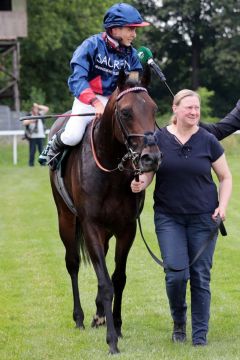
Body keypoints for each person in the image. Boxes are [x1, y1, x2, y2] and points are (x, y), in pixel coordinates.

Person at [131, 89, 232, 346]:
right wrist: (140, 184)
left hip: (204, 219)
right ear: (175, 109)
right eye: (189, 108)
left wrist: (222, 206)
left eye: (196, 108)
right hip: (169, 219)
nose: (194, 112)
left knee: (200, 275)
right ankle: (178, 322)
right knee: (176, 274)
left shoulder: (208, 140)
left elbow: (225, 177)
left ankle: (199, 335)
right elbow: (148, 173)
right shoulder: (158, 139)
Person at [39, 2, 150, 169]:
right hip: (88, 98)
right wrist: (95, 102)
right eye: (130, 29)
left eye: (135, 30)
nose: (134, 34)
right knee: (73, 136)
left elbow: (132, 84)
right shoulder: (90, 46)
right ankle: (55, 143)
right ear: (114, 29)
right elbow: (77, 79)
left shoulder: (132, 54)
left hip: (117, 100)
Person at [23, 103, 49, 167]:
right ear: (32, 109)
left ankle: (42, 164)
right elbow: (24, 122)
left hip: (41, 136)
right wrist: (32, 121)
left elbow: (46, 109)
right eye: (35, 108)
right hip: (32, 136)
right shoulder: (29, 115)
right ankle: (31, 165)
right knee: (32, 152)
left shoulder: (40, 114)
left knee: (42, 152)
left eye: (37, 109)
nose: (36, 110)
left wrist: (38, 105)